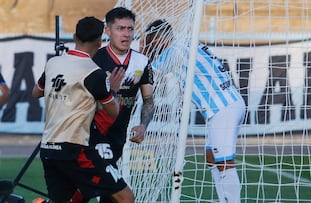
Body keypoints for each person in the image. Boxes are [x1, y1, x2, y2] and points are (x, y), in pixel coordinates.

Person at [140, 19, 246, 203]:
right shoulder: (188, 42)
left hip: (222, 108)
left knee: (224, 162)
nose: (152, 46)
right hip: (227, 105)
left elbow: (149, 70)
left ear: (160, 38)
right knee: (212, 157)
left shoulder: (175, 50)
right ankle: (225, 199)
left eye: (152, 41)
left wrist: (142, 52)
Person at [32, 16, 134, 203]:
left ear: (74, 36)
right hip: (75, 149)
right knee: (125, 197)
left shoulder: (53, 63)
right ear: (99, 41)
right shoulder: (94, 73)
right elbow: (113, 112)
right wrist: (110, 90)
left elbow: (36, 93)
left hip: (48, 148)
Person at [69, 7, 155, 203]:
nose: (126, 34)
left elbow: (148, 99)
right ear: (108, 31)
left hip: (117, 137)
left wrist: (143, 125)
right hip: (92, 135)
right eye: (120, 28)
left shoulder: (141, 62)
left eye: (130, 29)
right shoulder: (94, 59)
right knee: (114, 192)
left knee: (102, 191)